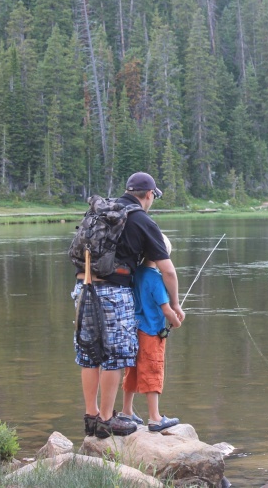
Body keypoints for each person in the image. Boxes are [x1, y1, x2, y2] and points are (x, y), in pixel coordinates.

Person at [72, 172, 185, 439]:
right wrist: (175, 304)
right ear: (149, 195)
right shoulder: (143, 221)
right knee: (116, 356)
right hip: (114, 290)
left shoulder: (105, 210)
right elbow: (168, 272)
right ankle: (107, 420)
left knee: (89, 354)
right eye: (153, 197)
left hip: (82, 286)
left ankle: (91, 416)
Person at [120, 234, 182, 431]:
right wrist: (176, 321)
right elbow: (165, 309)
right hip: (151, 332)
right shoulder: (155, 279)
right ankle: (155, 418)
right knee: (153, 370)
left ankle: (126, 411)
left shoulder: (135, 273)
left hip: (134, 330)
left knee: (132, 370)